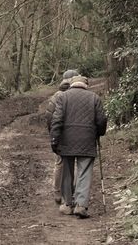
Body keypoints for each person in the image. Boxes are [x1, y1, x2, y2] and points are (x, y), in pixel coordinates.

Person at [50, 75, 107, 218]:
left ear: (72, 84)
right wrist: (99, 132)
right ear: (86, 85)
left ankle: (67, 204)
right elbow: (101, 120)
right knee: (84, 172)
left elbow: (56, 120)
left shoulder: (63, 97)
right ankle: (81, 205)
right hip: (87, 140)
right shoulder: (94, 97)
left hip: (67, 141)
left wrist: (54, 140)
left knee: (67, 173)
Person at [45, 69, 80, 204]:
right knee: (74, 163)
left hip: (59, 134)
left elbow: (49, 116)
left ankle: (57, 191)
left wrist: (54, 134)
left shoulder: (56, 96)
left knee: (59, 163)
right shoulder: (78, 95)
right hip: (74, 135)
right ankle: (71, 191)